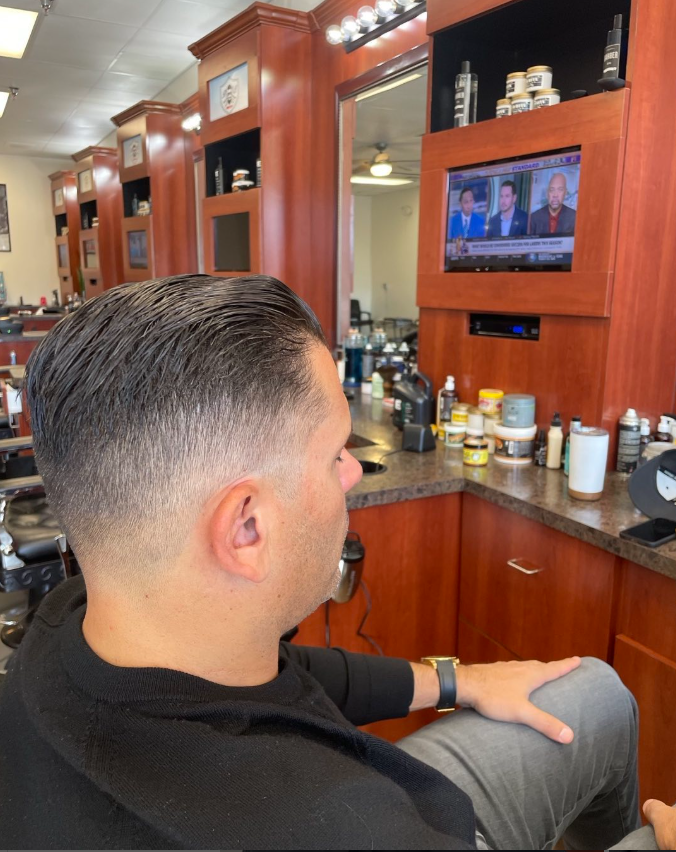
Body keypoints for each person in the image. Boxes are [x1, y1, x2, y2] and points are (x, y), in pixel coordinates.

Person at [0, 274, 667, 850]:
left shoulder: (72, 623)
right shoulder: (335, 827)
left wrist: (456, 680)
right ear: (247, 527)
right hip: (410, 819)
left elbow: (283, 674)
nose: (351, 473)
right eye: (335, 454)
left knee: (596, 694)